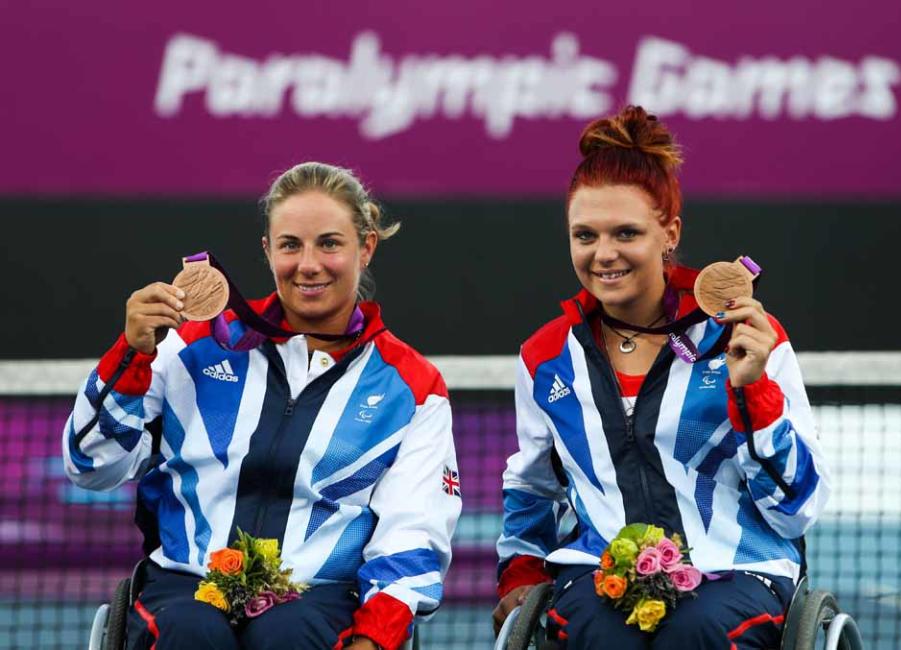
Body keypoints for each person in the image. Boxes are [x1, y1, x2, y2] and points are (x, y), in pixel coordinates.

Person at [63, 162, 461, 650]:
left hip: (321, 600)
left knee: (284, 635)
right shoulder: (191, 345)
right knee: (193, 631)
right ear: (268, 251)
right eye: (291, 245)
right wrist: (131, 354)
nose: (308, 264)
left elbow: (412, 534)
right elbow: (91, 465)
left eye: (330, 244)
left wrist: (376, 637)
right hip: (186, 588)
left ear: (367, 247)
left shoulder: (413, 387)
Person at [492, 106, 830, 649]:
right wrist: (522, 570)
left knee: (695, 629)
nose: (604, 254)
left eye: (626, 232)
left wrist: (753, 392)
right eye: (585, 236)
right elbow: (533, 484)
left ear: (669, 232)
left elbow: (797, 510)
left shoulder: (744, 336)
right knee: (599, 633)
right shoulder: (547, 356)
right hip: (599, 573)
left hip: (736, 570)